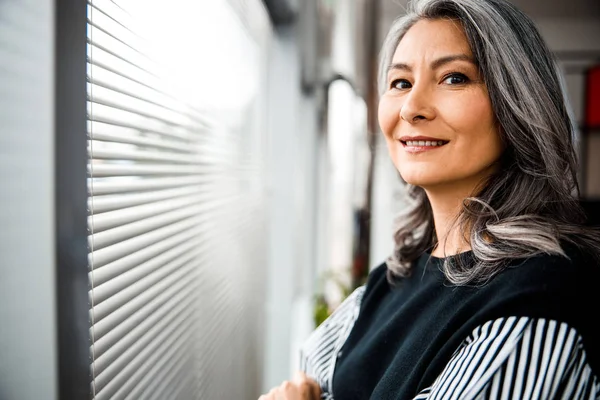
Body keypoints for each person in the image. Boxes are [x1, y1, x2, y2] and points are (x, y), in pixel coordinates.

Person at [259, 0, 600, 398]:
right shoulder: (395, 278)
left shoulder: (535, 301)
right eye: (400, 82)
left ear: (517, 103)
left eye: (454, 78)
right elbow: (309, 377)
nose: (412, 108)